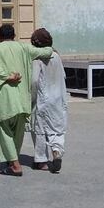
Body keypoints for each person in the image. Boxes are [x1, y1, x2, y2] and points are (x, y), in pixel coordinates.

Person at [0, 24, 53, 176]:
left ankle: (15, 165)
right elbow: (47, 51)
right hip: (22, 100)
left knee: (4, 131)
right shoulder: (24, 48)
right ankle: (12, 160)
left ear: (0, 36)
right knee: (17, 133)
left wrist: (6, 76)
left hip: (4, 99)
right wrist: (51, 49)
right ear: (14, 35)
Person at [29, 28, 68, 174]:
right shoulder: (57, 56)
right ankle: (56, 150)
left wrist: (31, 98)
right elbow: (62, 75)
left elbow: (34, 81)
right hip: (58, 97)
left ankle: (42, 161)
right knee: (56, 127)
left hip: (43, 98)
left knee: (39, 129)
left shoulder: (37, 59)